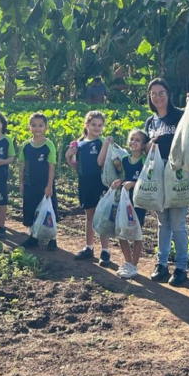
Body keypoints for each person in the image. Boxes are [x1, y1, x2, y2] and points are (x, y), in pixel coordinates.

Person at [143, 78, 189, 286]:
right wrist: (148, 145)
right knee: (163, 223)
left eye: (162, 93)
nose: (158, 97)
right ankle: (161, 263)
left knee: (178, 224)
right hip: (158, 173)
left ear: (169, 95)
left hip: (177, 173)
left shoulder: (180, 115)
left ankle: (181, 267)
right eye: (154, 93)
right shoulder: (151, 122)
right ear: (150, 97)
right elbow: (145, 149)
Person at [101, 130, 149, 280]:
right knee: (121, 230)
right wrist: (120, 181)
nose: (133, 142)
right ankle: (127, 262)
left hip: (138, 201)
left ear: (143, 145)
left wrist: (134, 183)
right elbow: (123, 175)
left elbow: (148, 179)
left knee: (136, 232)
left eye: (138, 140)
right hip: (124, 200)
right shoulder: (125, 160)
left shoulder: (145, 160)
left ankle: (134, 264)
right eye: (131, 139)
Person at [66, 111, 111, 265]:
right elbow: (75, 168)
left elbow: (103, 164)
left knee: (103, 217)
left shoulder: (103, 143)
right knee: (90, 216)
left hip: (101, 184)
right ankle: (89, 247)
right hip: (85, 184)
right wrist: (68, 156)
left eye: (100, 125)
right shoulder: (79, 144)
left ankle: (105, 251)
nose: (97, 128)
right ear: (87, 125)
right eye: (93, 124)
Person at [19, 112, 58, 251]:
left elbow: (51, 166)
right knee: (30, 209)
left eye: (40, 125)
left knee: (49, 210)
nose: (37, 128)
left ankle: (53, 238)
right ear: (29, 127)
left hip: (44, 184)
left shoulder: (49, 145)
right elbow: (22, 165)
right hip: (30, 183)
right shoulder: (26, 146)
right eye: (34, 125)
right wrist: (21, 182)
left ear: (46, 127)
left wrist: (49, 186)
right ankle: (33, 237)